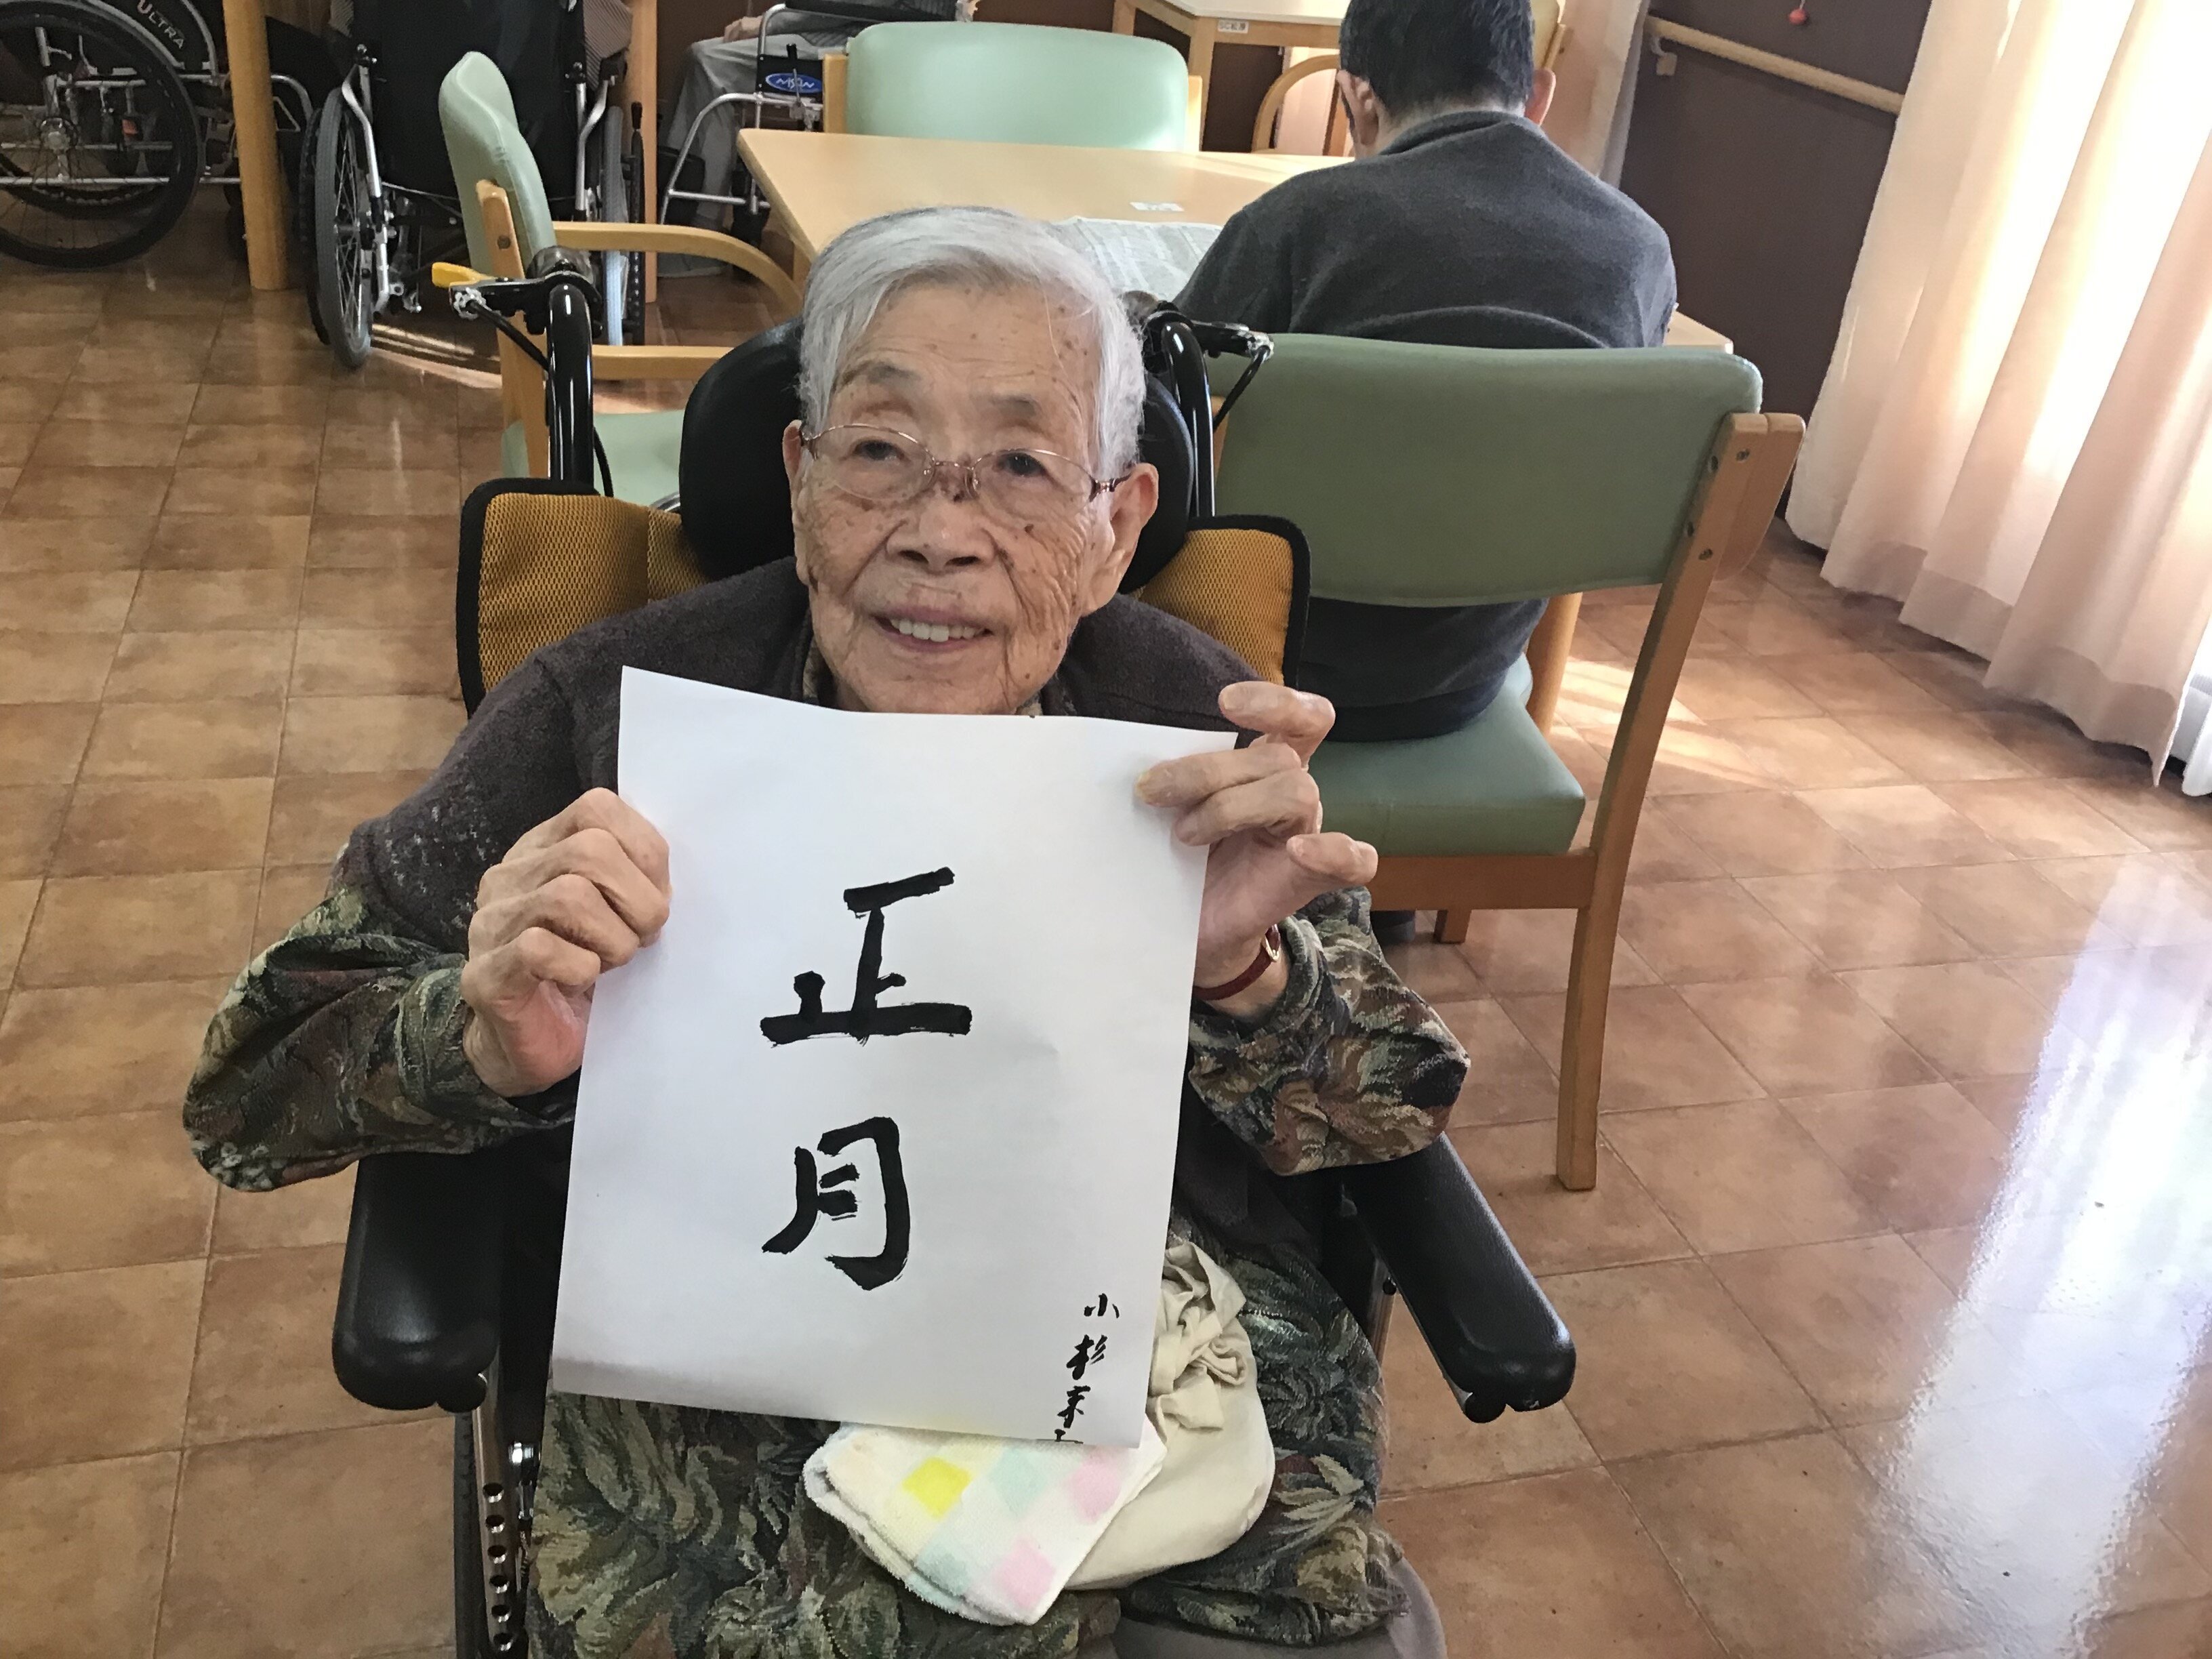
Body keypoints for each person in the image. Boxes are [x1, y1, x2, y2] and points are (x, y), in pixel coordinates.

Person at [184, 207, 1469, 1658]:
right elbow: (249, 1087)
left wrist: (1241, 974)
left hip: (1148, 1422)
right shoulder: (607, 718)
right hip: (728, 1465)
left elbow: (1390, 1118)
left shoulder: (1187, 721)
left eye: (1021, 467)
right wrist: (481, 1041)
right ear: (798, 481)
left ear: (1115, 527)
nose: (939, 531)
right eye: (879, 450)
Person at [1174, 0, 1677, 750]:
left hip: (1236, 673)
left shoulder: (1300, 221)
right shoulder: (1639, 252)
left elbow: (1160, 403)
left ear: (1358, 99)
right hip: (1463, 683)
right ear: (1538, 96)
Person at [665, 0, 962, 231]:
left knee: (709, 63)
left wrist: (770, 21)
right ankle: (669, 210)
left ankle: (696, 227)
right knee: (699, 55)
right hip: (859, 27)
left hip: (868, 41)